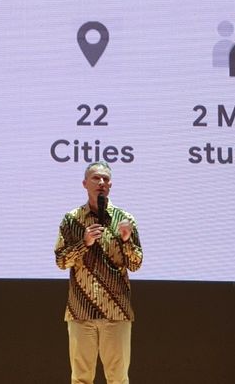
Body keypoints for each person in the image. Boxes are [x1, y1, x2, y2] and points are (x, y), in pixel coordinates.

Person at [54, 161, 143, 384]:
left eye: (105, 179)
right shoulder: (72, 220)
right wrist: (84, 243)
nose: (101, 182)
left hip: (116, 311)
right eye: (96, 178)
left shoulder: (125, 220)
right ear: (85, 184)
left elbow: (135, 264)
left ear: (110, 185)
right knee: (81, 379)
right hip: (81, 311)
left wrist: (126, 240)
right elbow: (61, 261)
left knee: (118, 379)